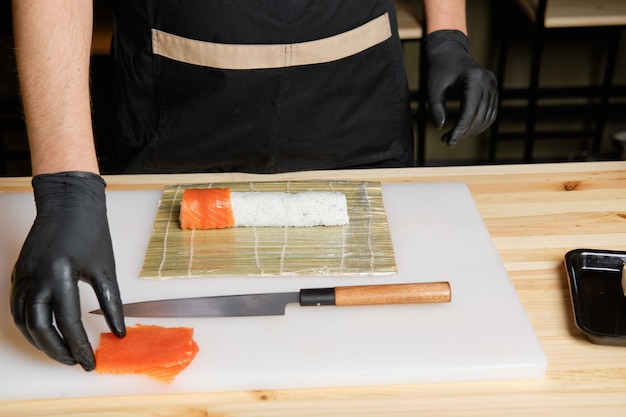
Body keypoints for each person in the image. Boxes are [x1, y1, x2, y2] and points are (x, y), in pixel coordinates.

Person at [10, 0, 498, 370]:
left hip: (355, 101)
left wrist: (448, 34)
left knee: (369, 352)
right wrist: (65, 186)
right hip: (172, 104)